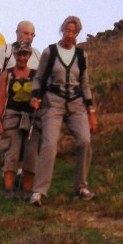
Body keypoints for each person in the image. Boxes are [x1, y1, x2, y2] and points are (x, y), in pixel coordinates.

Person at [28, 16, 98, 207]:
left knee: (84, 140)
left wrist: (91, 111)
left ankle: (81, 187)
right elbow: (39, 77)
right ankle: (39, 191)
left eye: (74, 32)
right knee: (50, 143)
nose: (70, 35)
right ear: (62, 30)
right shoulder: (50, 52)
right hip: (53, 101)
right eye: (67, 30)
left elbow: (85, 83)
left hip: (76, 103)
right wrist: (36, 96)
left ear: (78, 34)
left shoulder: (81, 55)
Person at [0, 40, 37, 199]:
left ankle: (27, 189)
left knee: (30, 153)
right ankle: (8, 188)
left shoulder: (36, 75)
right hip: (12, 115)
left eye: (25, 54)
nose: (22, 58)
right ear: (14, 54)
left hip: (31, 117)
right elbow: (1, 97)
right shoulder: (7, 74)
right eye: (19, 54)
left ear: (29, 55)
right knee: (11, 150)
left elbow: (41, 95)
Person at [0, 20, 41, 135]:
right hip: (9, 104)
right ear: (17, 32)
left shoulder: (37, 53)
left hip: (30, 104)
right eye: (26, 33)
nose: (29, 37)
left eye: (32, 34)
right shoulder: (6, 50)